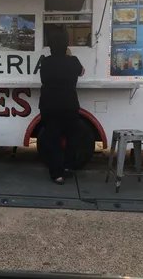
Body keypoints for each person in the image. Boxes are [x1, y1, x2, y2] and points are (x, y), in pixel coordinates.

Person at [39, 31, 85, 185]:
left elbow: (44, 79)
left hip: (49, 106)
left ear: (50, 47)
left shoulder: (45, 62)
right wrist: (70, 56)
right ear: (66, 46)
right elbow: (82, 72)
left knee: (52, 140)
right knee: (73, 137)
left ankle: (56, 174)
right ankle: (68, 167)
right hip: (69, 105)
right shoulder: (73, 61)